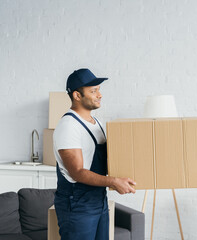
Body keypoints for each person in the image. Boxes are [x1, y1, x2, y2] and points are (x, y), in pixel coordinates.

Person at [53, 68, 136, 240]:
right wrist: (113, 181)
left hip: (98, 200)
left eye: (98, 89)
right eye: (93, 91)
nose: (100, 95)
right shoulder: (69, 126)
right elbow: (77, 172)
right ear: (77, 95)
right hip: (77, 204)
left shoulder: (95, 121)